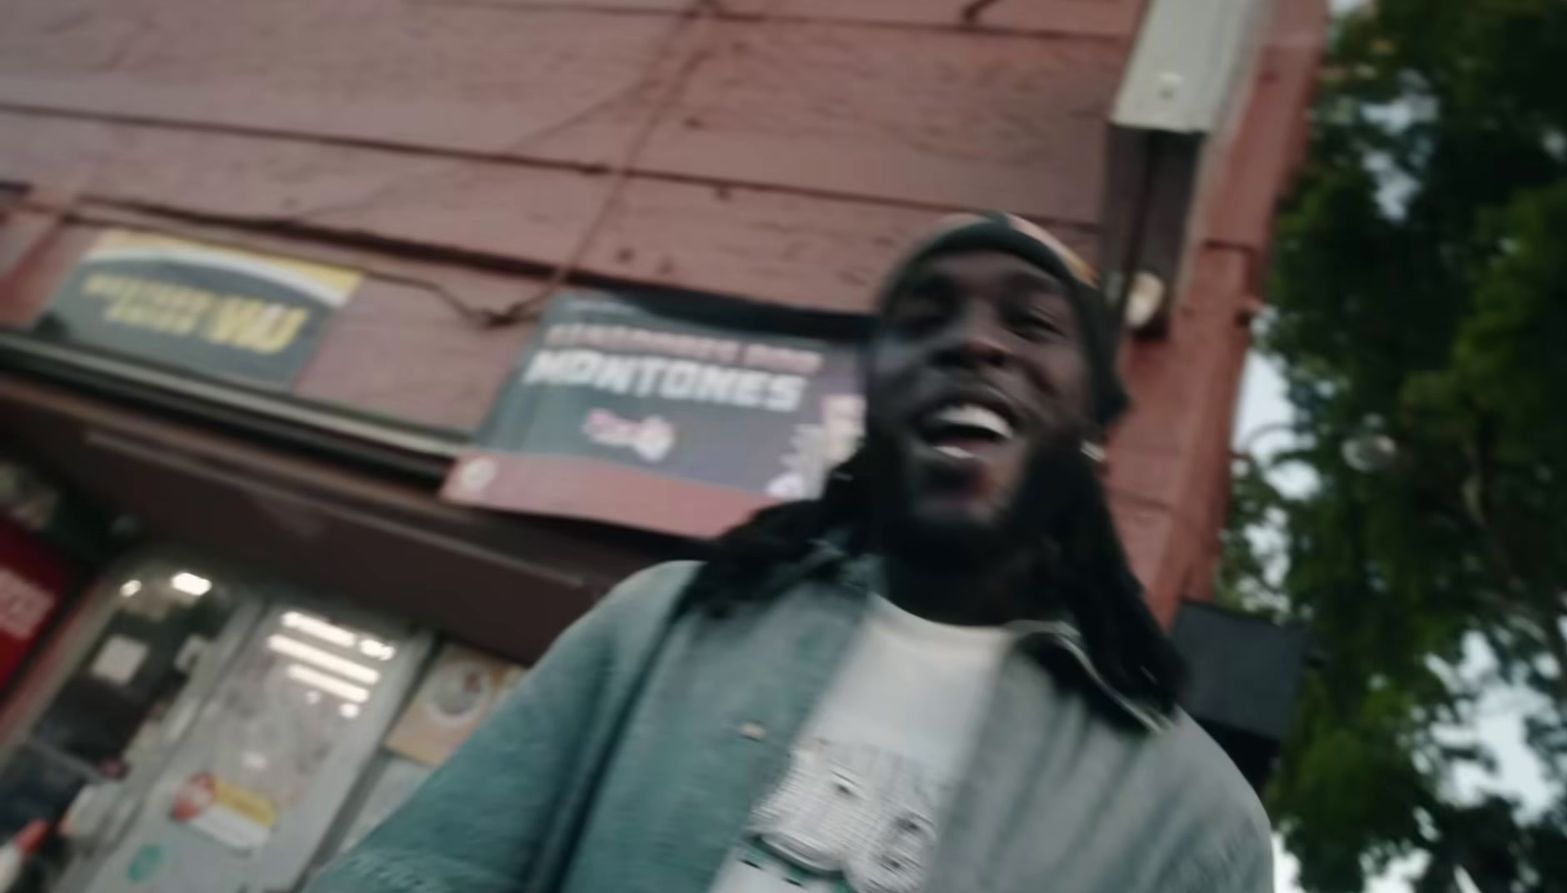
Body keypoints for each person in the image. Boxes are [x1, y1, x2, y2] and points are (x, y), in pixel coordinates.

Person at [308, 213, 1272, 893]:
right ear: (875, 405)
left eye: (1030, 322)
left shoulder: (1194, 824)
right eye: (924, 318)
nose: (973, 342)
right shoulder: (663, 627)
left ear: (1093, 423)